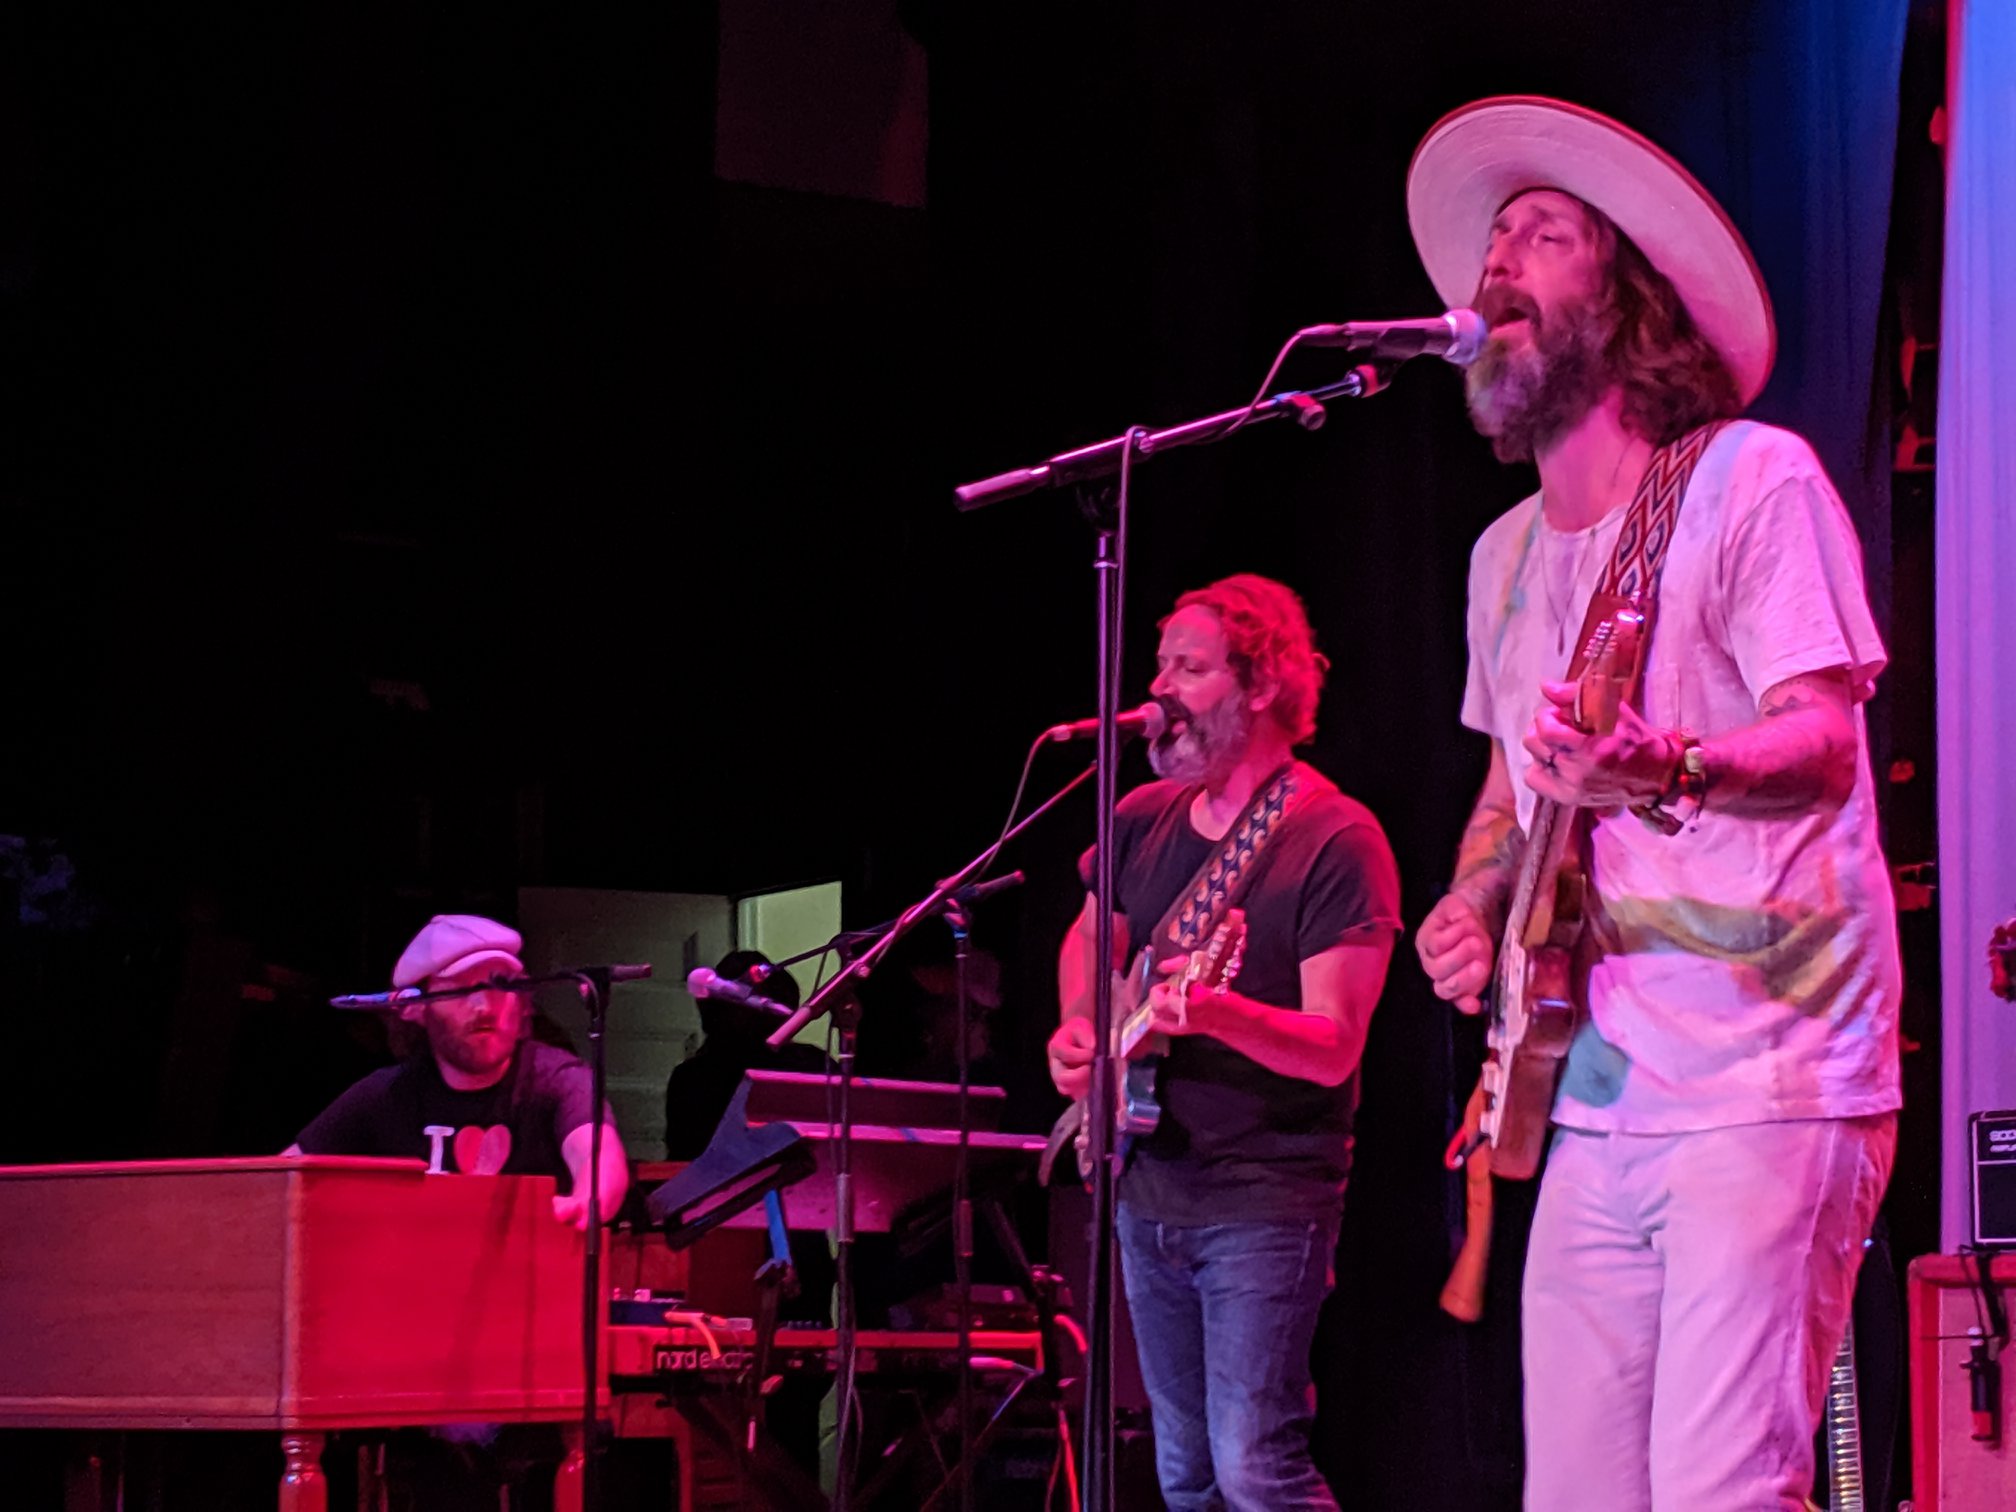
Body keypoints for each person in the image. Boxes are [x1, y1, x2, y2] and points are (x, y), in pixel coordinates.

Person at [1408, 97, 1900, 1510]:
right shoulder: (1501, 558)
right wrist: (1474, 897)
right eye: (1492, 242)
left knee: (1718, 1491)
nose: (1497, 264)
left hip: (1771, 1074)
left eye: (1542, 236)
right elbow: (1510, 793)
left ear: (1625, 301)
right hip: (1598, 1093)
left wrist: (1670, 767)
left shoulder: (1751, 479)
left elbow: (1823, 739)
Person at [1046, 573, 1401, 1511]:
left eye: (1190, 669)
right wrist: (1080, 1023)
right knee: (1187, 1473)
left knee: (1255, 1467)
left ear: (1264, 685)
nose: (1158, 691)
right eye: (1160, 666)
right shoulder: (1140, 817)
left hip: (1262, 1197)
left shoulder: (1334, 838)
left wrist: (1217, 1014)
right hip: (1145, 1185)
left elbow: (1333, 1045)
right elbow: (1090, 936)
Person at [291, 913, 628, 1229]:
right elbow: (284, 1176)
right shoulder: (385, 1095)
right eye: (462, 989)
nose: (484, 1007)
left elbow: (596, 1153)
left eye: (501, 986)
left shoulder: (559, 1079)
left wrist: (588, 1200)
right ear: (413, 1008)